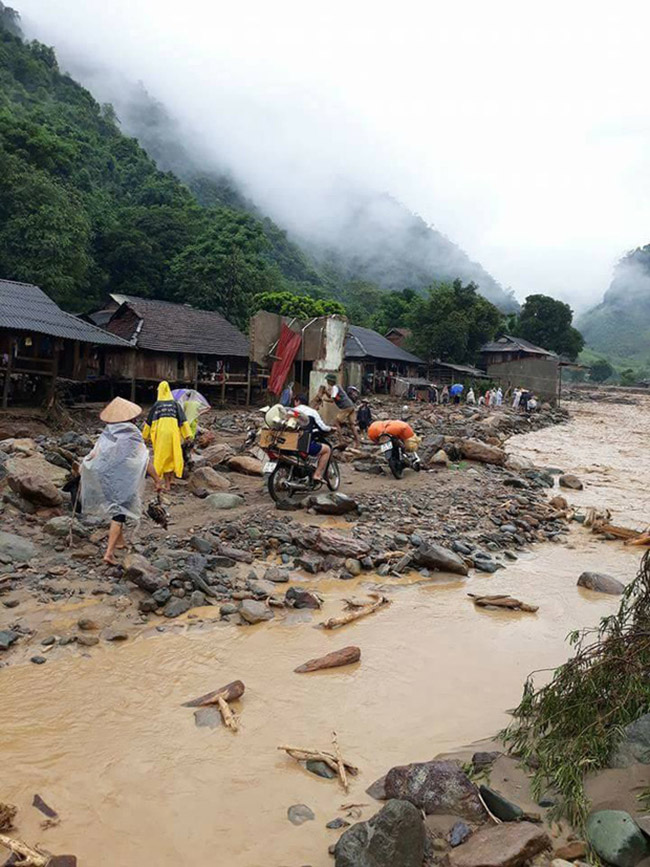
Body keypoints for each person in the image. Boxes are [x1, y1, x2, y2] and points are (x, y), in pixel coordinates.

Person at [81, 397, 160, 565]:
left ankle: (120, 542)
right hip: (122, 479)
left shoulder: (108, 433)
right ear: (131, 417)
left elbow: (94, 455)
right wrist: (157, 480)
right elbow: (144, 460)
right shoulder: (132, 435)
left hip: (105, 477)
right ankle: (109, 553)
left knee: (117, 507)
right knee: (119, 513)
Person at [142, 381, 193, 491]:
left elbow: (149, 422)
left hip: (161, 435)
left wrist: (144, 437)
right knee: (172, 456)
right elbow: (183, 420)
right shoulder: (175, 404)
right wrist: (188, 434)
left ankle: (163, 483)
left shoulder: (157, 405)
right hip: (173, 434)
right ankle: (169, 482)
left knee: (162, 457)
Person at [291, 394, 333, 483]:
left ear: (297, 401)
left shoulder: (291, 411)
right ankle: (317, 475)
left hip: (288, 442)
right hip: (303, 442)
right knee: (327, 449)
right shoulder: (312, 412)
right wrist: (331, 428)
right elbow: (323, 427)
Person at [318, 374, 361, 447]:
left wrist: (323, 399)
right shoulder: (338, 387)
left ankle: (341, 441)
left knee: (336, 422)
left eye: (328, 381)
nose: (327, 382)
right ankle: (358, 443)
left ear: (330, 381)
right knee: (352, 425)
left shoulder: (335, 388)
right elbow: (334, 397)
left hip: (345, 407)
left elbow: (332, 400)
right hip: (351, 406)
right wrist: (326, 392)